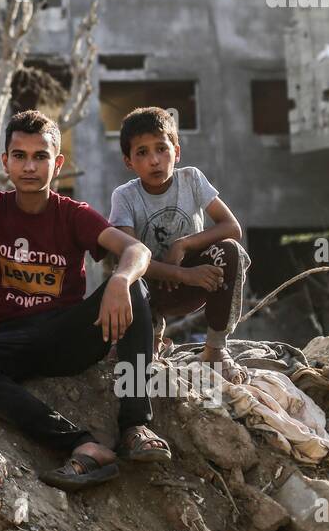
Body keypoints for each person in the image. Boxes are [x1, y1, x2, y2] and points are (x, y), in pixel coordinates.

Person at [0, 110, 168, 493]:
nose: (29, 166)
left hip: (67, 336)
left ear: (57, 163)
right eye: (19, 156)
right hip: (12, 342)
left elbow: (136, 249)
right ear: (5, 162)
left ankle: (135, 424)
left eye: (40, 156)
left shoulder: (73, 214)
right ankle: (80, 444)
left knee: (136, 290)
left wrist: (121, 278)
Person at [107, 107, 250, 380]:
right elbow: (128, 254)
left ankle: (216, 348)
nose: (154, 161)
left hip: (195, 284)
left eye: (161, 149)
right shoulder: (124, 197)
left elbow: (231, 227)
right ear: (128, 162)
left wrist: (183, 245)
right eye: (142, 153)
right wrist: (180, 273)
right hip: (151, 289)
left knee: (230, 252)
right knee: (126, 278)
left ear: (177, 151)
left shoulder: (191, 179)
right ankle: (148, 336)